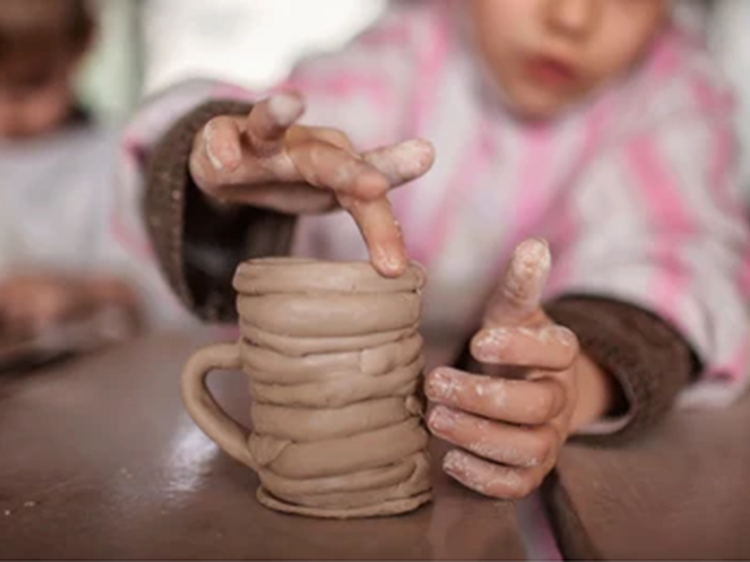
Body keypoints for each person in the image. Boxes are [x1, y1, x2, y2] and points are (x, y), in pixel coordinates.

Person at [122, 0, 750, 500]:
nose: (572, 16)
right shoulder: (401, 51)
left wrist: (575, 375)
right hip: (324, 441)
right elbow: (289, 138)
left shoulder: (675, 94)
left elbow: (681, 253)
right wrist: (228, 175)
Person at [0, 0, 189, 343]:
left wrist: (80, 295)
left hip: (100, 374)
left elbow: (167, 301)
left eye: (29, 84)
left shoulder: (116, 160)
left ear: (83, 44)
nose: (4, 109)